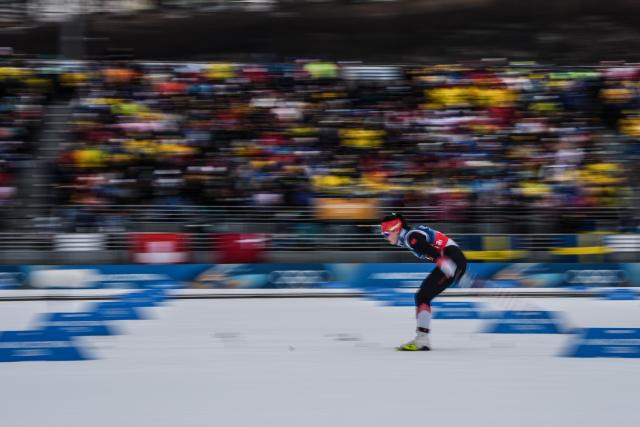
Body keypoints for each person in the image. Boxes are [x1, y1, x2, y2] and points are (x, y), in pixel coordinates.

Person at [380, 213, 467, 351]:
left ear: (395, 229)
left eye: (385, 234)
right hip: (454, 259)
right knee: (422, 296)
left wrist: (442, 261)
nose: (384, 238)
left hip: (452, 259)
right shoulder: (409, 236)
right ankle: (422, 338)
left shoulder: (410, 236)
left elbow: (423, 245)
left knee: (422, 296)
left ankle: (422, 339)